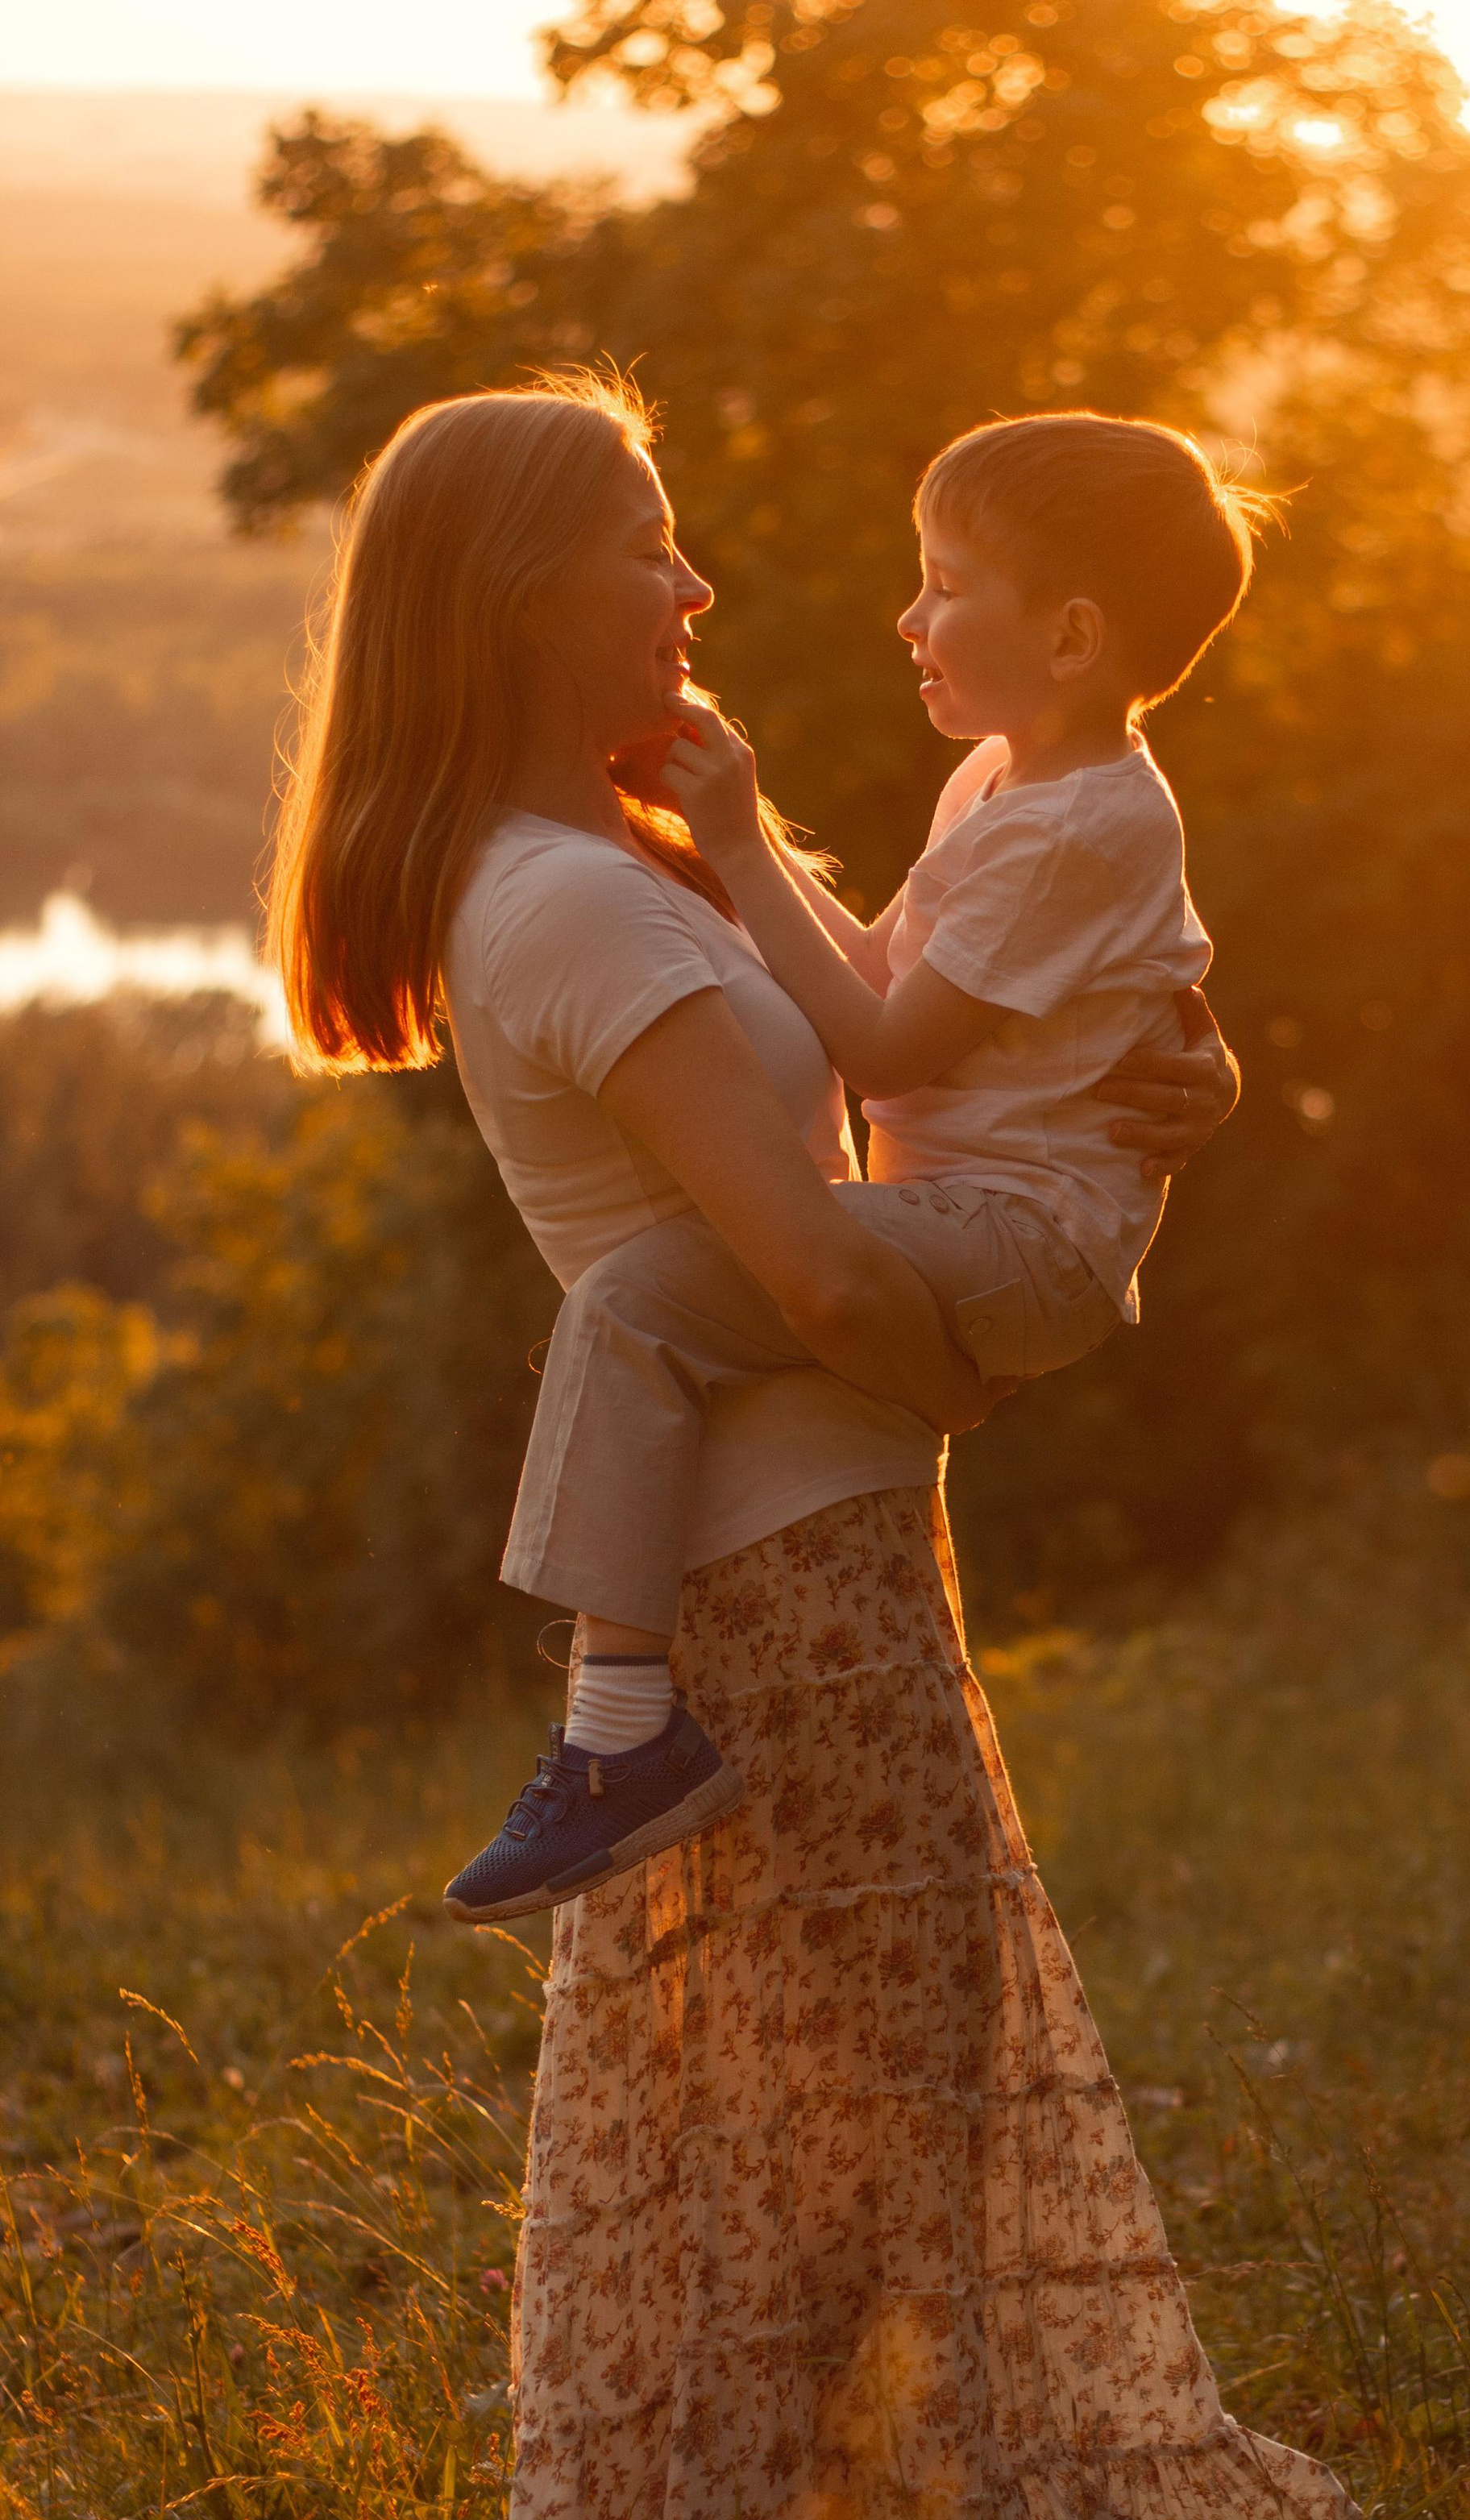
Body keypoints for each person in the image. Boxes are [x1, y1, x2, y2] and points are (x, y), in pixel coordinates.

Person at [271, 366, 1352, 2520]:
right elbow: (841, 1288)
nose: (697, 585)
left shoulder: (631, 855)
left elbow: (912, 1081)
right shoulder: (569, 901)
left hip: (823, 1527)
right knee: (821, 2121)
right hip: (783, 1555)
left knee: (852, 2096)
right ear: (523, 599)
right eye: (648, 545)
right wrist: (1011, 1301)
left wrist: (1149, 1095)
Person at [442, 413, 1257, 1927]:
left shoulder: (1074, 823)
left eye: (946, 585)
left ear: (1073, 636)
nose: (909, 617)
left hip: (1013, 1238)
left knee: (631, 1306)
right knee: (642, 1304)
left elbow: (883, 1051)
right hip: (981, 1220)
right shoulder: (1003, 788)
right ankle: (613, 1726)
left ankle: (613, 1733)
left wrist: (743, 845)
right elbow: (897, 979)